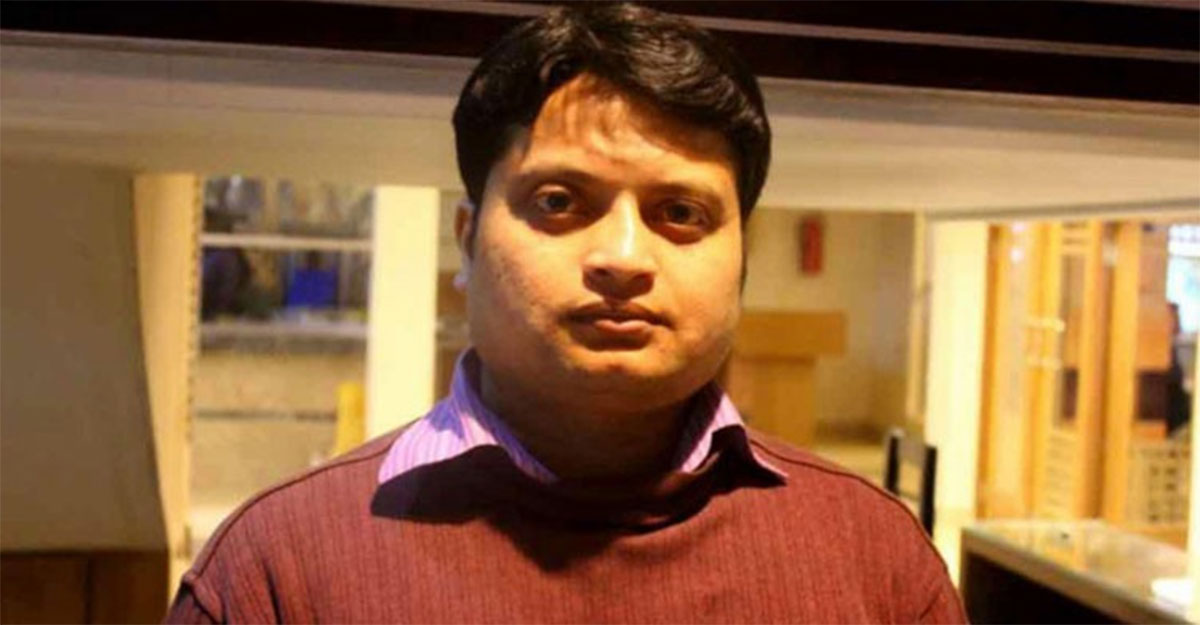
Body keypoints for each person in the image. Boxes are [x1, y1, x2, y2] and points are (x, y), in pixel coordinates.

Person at [166, 4, 965, 623]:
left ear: (743, 259)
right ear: (468, 238)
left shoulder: (877, 562)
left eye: (680, 213)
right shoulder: (276, 571)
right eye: (558, 201)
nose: (623, 256)